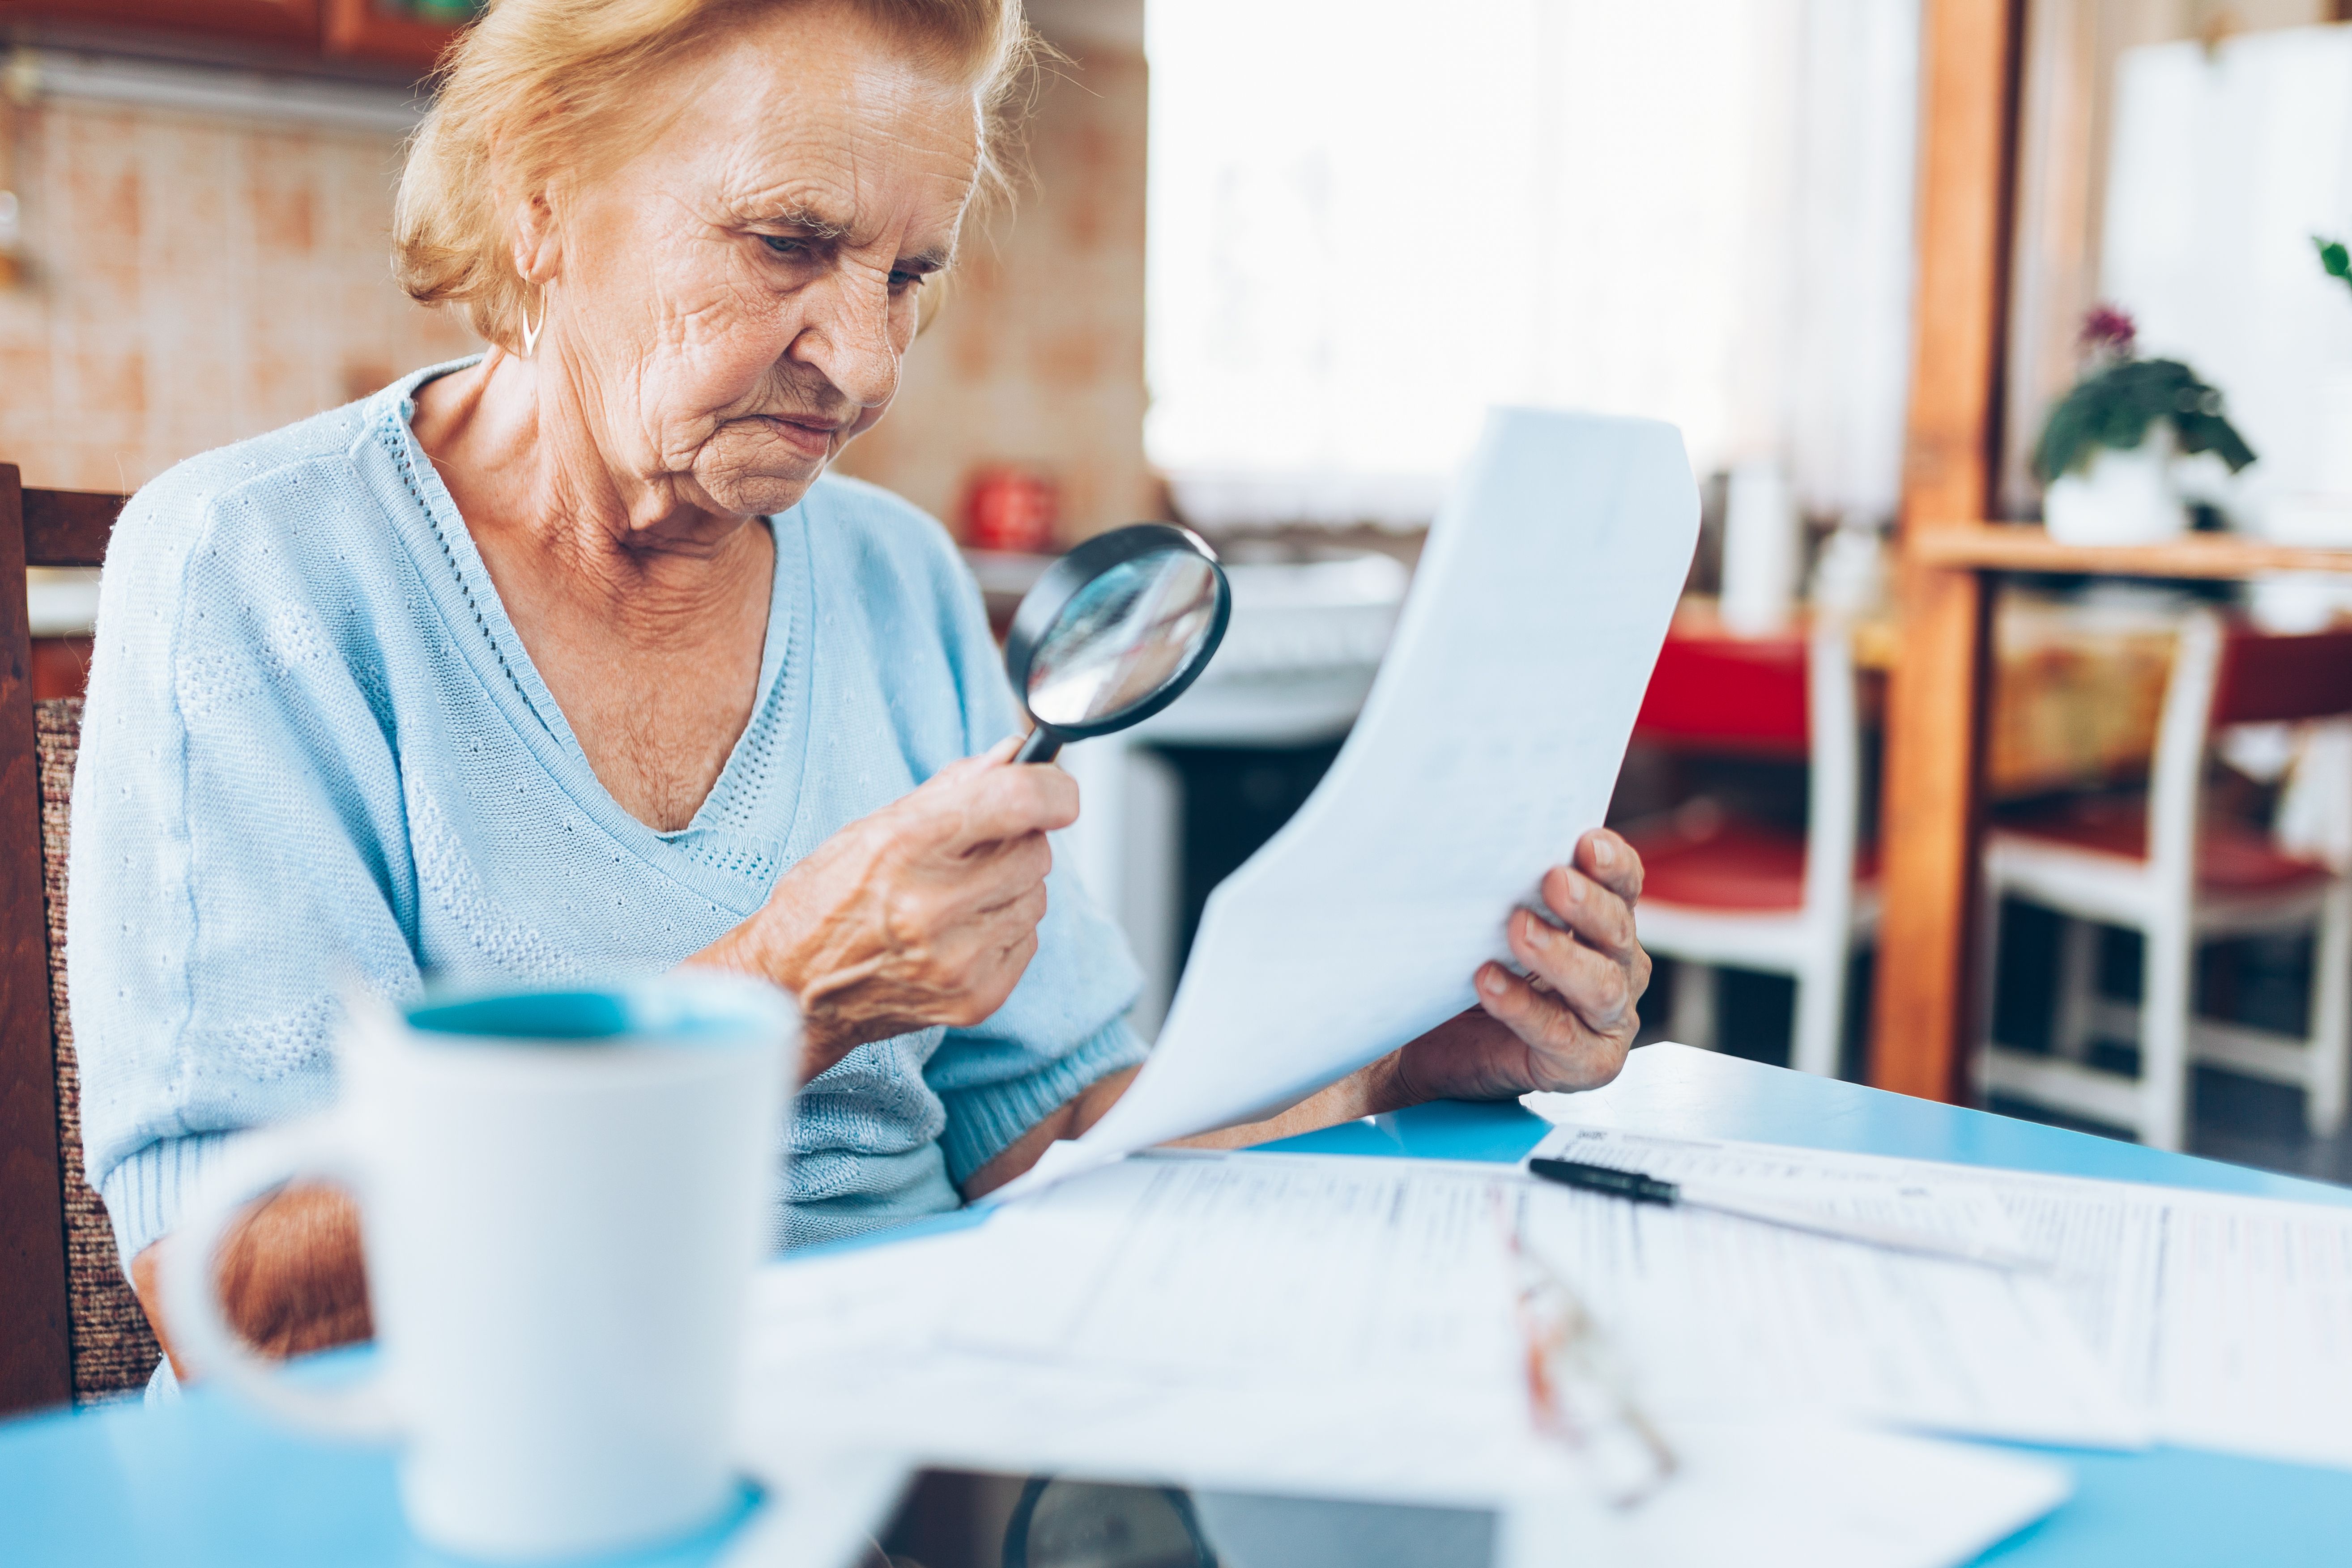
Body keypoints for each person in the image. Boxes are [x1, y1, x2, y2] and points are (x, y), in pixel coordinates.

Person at [73, 0, 1652, 1385]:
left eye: (907, 273)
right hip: (501, 1468)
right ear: (536, 194)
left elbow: (1053, 1137)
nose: (869, 363)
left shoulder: (894, 574)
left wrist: (1386, 1073)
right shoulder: (254, 568)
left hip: (907, 1438)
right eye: (787, 245)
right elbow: (250, 1302)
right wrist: (787, 998)